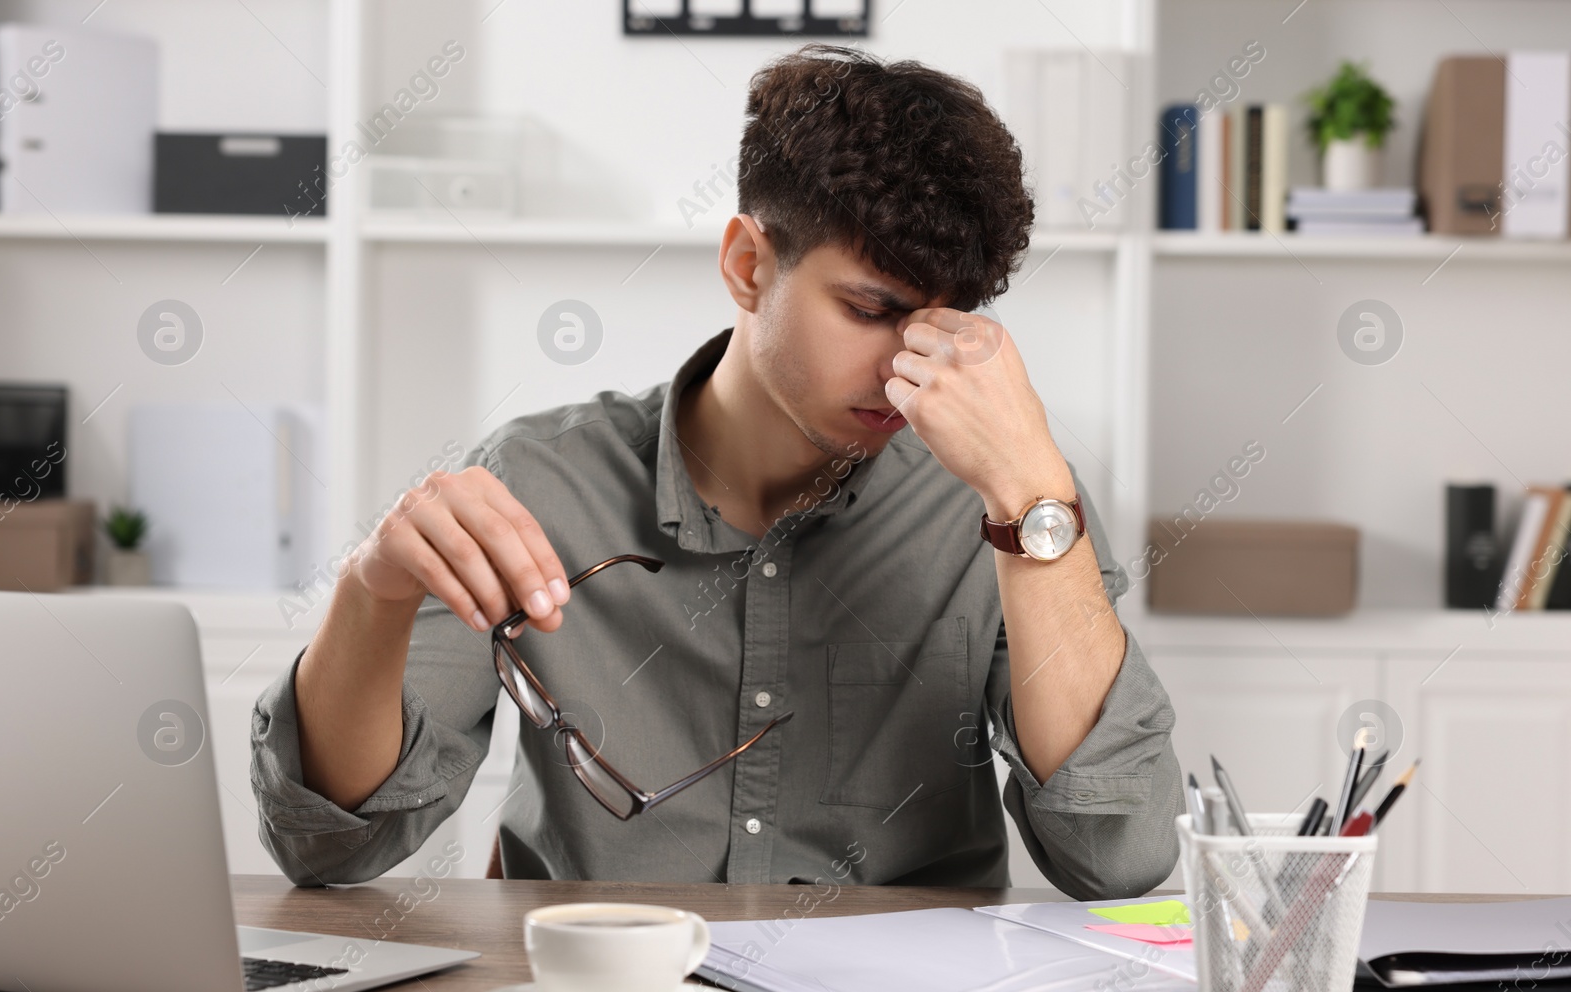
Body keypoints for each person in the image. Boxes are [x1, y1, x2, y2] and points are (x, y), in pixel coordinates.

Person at [250, 44, 1181, 898]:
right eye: (871, 310)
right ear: (746, 265)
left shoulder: (1011, 506)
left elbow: (1120, 858)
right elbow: (328, 846)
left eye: (948, 323)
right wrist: (372, 591)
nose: (914, 371)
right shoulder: (540, 481)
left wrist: (1031, 503)